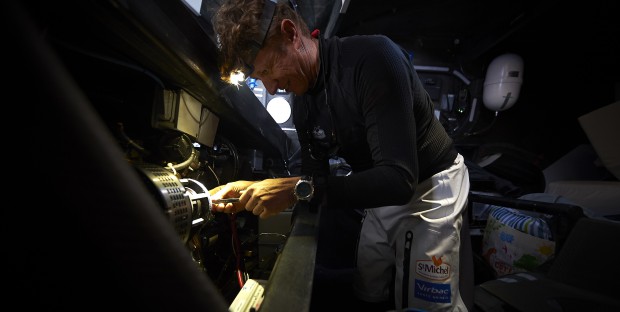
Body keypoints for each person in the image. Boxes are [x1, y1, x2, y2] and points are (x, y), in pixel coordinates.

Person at [209, 0, 471, 311]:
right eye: (260, 78)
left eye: (267, 70)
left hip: (430, 191)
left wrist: (294, 190)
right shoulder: (305, 104)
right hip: (380, 195)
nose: (272, 87)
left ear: (291, 33)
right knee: (368, 289)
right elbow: (311, 178)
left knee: (424, 304)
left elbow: (399, 179)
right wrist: (257, 192)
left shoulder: (373, 59)